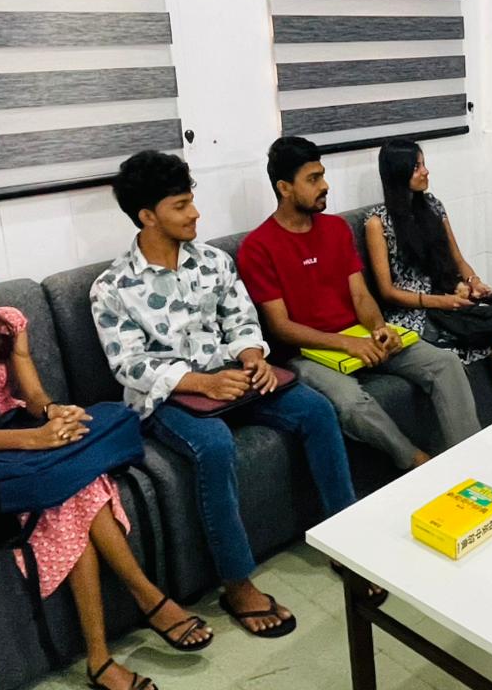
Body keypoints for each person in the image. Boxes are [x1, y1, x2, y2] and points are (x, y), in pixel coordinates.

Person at [0, 243, 209, 690]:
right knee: (74, 494)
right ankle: (136, 614)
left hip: (21, 435)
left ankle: (105, 653)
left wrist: (52, 414)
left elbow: (35, 397)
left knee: (94, 445)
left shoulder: (3, 323)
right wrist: (37, 439)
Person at [90, 151, 377, 637]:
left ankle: (343, 536)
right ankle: (237, 582)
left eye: (191, 200)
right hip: (167, 397)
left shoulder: (213, 262)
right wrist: (201, 382)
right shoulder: (112, 288)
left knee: (314, 409)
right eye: (181, 206)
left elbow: (242, 320)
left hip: (234, 378)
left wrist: (252, 357)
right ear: (147, 216)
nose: (195, 213)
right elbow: (130, 364)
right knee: (215, 445)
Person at [237, 137, 481, 472]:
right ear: (284, 188)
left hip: (360, 335)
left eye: (322, 175)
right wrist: (347, 344)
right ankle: (416, 462)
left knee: (445, 363)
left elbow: (361, 295)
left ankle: (471, 462)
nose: (324, 185)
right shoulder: (258, 247)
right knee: (351, 402)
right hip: (306, 355)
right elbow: (281, 327)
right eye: (313, 179)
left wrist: (380, 328)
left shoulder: (336, 229)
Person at [366, 140, 492, 404]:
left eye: (423, 164)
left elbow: (458, 259)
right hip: (414, 313)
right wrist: (440, 302)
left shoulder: (433, 206)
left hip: (450, 296)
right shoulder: (378, 224)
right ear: (398, 172)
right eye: (416, 167)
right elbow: (387, 292)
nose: (425, 171)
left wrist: (474, 281)